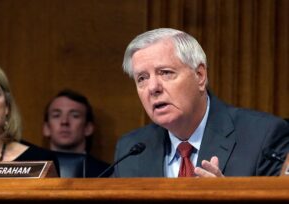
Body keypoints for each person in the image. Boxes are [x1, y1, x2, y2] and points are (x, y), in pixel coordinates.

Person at [114, 28, 289, 177]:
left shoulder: (262, 136)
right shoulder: (130, 150)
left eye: (166, 73)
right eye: (142, 78)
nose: (153, 87)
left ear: (200, 76)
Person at [43, 89, 111, 177]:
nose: (64, 122)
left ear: (88, 128)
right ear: (46, 128)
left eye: (75, 116)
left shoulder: (108, 173)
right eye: (56, 115)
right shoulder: (29, 170)